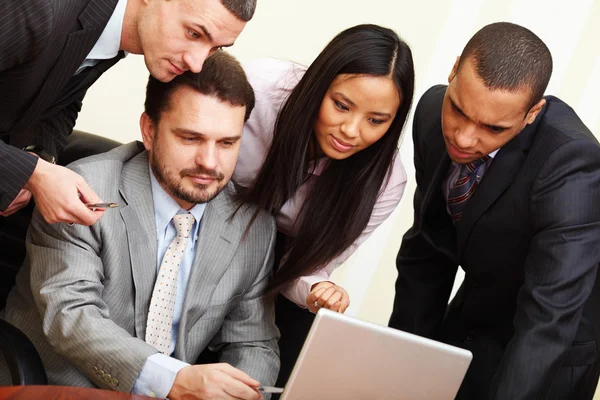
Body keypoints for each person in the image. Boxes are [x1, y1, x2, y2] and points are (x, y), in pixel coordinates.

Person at [0, 51, 279, 400]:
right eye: (190, 138)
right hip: (54, 387)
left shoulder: (253, 227)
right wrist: (174, 380)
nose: (209, 162)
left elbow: (254, 342)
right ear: (150, 130)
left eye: (227, 143)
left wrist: (241, 393)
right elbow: (71, 316)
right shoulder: (83, 189)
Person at [389, 22, 600, 400]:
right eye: (459, 110)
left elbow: (548, 318)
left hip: (548, 355)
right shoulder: (431, 114)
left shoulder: (572, 165)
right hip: (473, 318)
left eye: (493, 128)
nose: (464, 137)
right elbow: (428, 252)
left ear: (533, 112)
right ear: (453, 71)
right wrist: (401, 374)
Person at [0, 0, 255, 310]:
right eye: (192, 33)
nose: (198, 62)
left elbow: (61, 99)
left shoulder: (111, 36)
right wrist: (31, 173)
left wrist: (38, 156)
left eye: (216, 48)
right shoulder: (40, 9)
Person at [233, 24, 415, 384]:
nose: (351, 130)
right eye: (341, 106)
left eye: (376, 121)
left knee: (291, 363)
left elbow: (307, 268)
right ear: (319, 85)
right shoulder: (260, 90)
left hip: (284, 270)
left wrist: (319, 291)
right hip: (208, 228)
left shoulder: (385, 182)